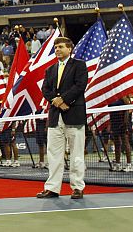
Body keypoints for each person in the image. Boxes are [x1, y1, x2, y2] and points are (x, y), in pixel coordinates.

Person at [37, 36, 87, 200]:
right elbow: (45, 89)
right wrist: (57, 102)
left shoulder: (79, 65)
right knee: (54, 154)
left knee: (76, 154)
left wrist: (64, 100)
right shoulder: (50, 70)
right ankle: (52, 188)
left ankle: (77, 187)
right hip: (55, 117)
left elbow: (80, 85)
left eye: (60, 47)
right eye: (55, 47)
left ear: (69, 49)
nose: (57, 49)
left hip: (74, 115)